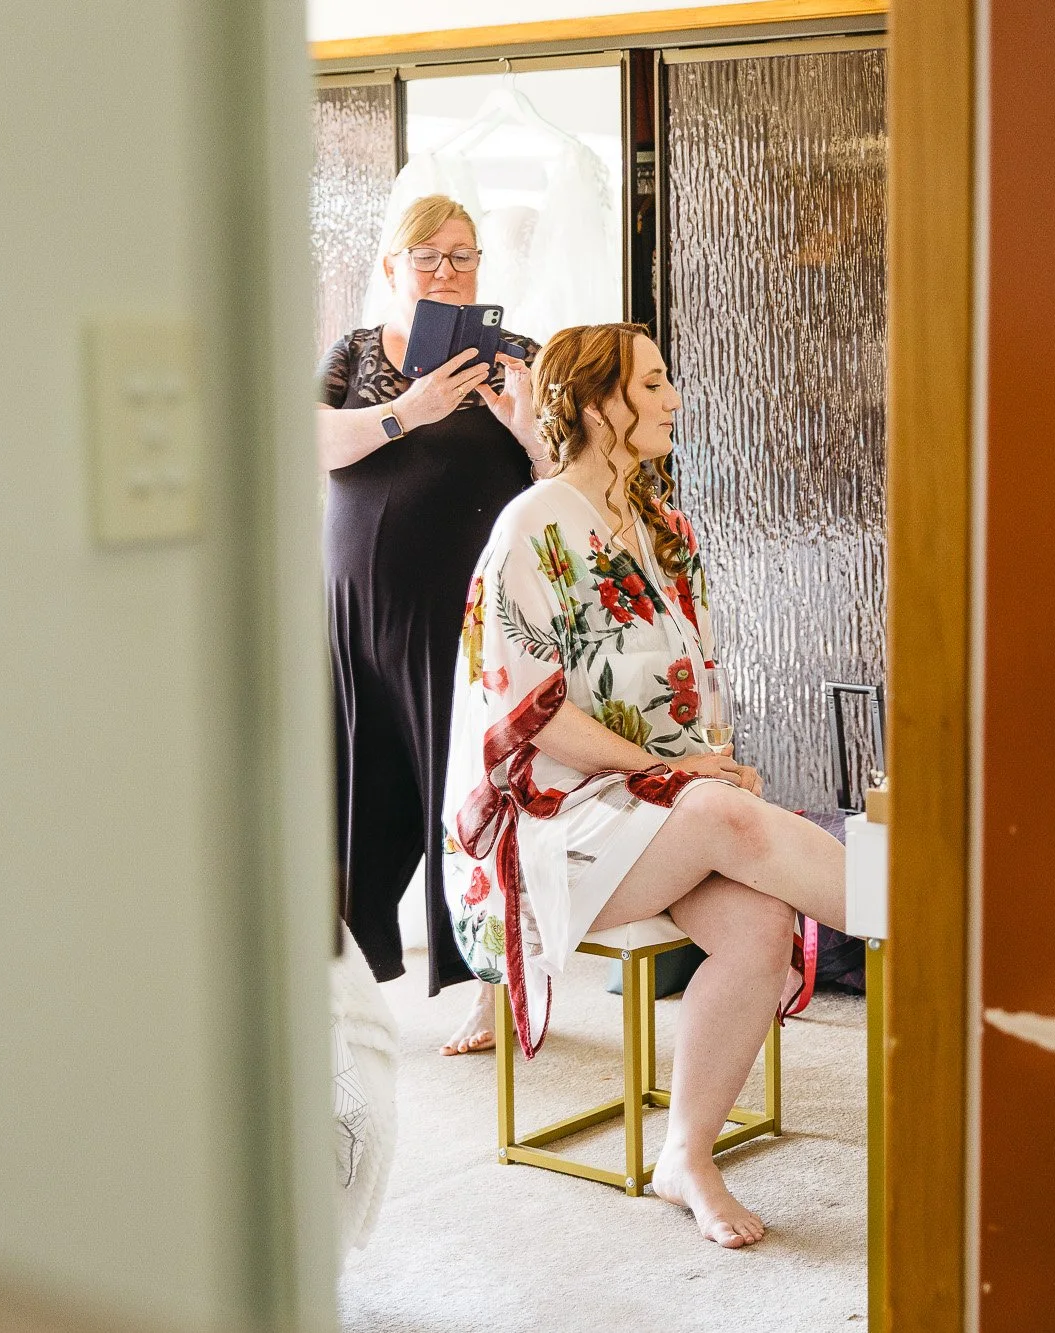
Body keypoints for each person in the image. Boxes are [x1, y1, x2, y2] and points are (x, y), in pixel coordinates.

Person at [441, 322, 848, 1248]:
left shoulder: (664, 527)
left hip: (659, 807)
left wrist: (714, 756)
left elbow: (695, 677)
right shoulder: (533, 525)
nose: (673, 398)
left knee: (759, 926)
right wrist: (684, 774)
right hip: (555, 819)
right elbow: (530, 713)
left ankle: (685, 1157)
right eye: (653, 383)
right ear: (596, 405)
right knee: (726, 817)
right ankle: (943, 930)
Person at [317, 194, 543, 1056]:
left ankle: (490, 985)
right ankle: (338, 989)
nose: (447, 271)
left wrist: (527, 429)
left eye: (463, 255)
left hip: (463, 618)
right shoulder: (355, 353)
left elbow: (566, 478)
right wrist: (405, 411)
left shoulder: (515, 358)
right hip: (357, 615)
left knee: (467, 796)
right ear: (392, 267)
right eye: (428, 256)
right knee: (349, 795)